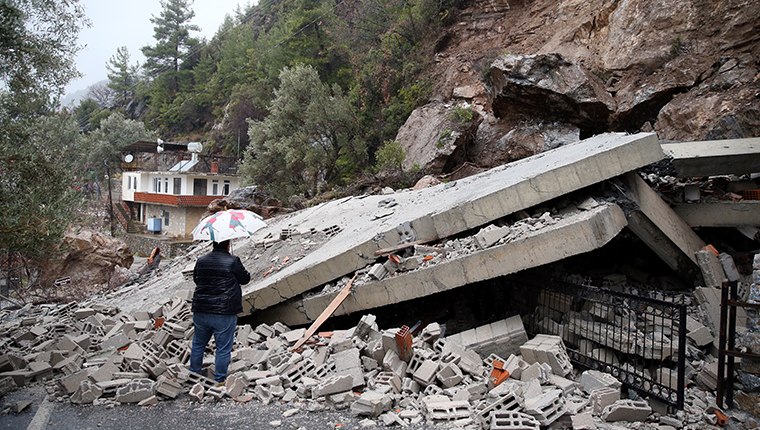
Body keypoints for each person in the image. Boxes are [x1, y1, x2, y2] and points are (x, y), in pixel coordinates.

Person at [189, 239, 251, 384]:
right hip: (224, 312)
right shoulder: (233, 261)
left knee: (198, 344)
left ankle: (194, 374)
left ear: (213, 244)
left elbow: (196, 279)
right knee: (223, 348)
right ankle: (219, 380)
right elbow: (245, 279)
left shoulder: (202, 260)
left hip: (201, 309)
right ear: (228, 245)